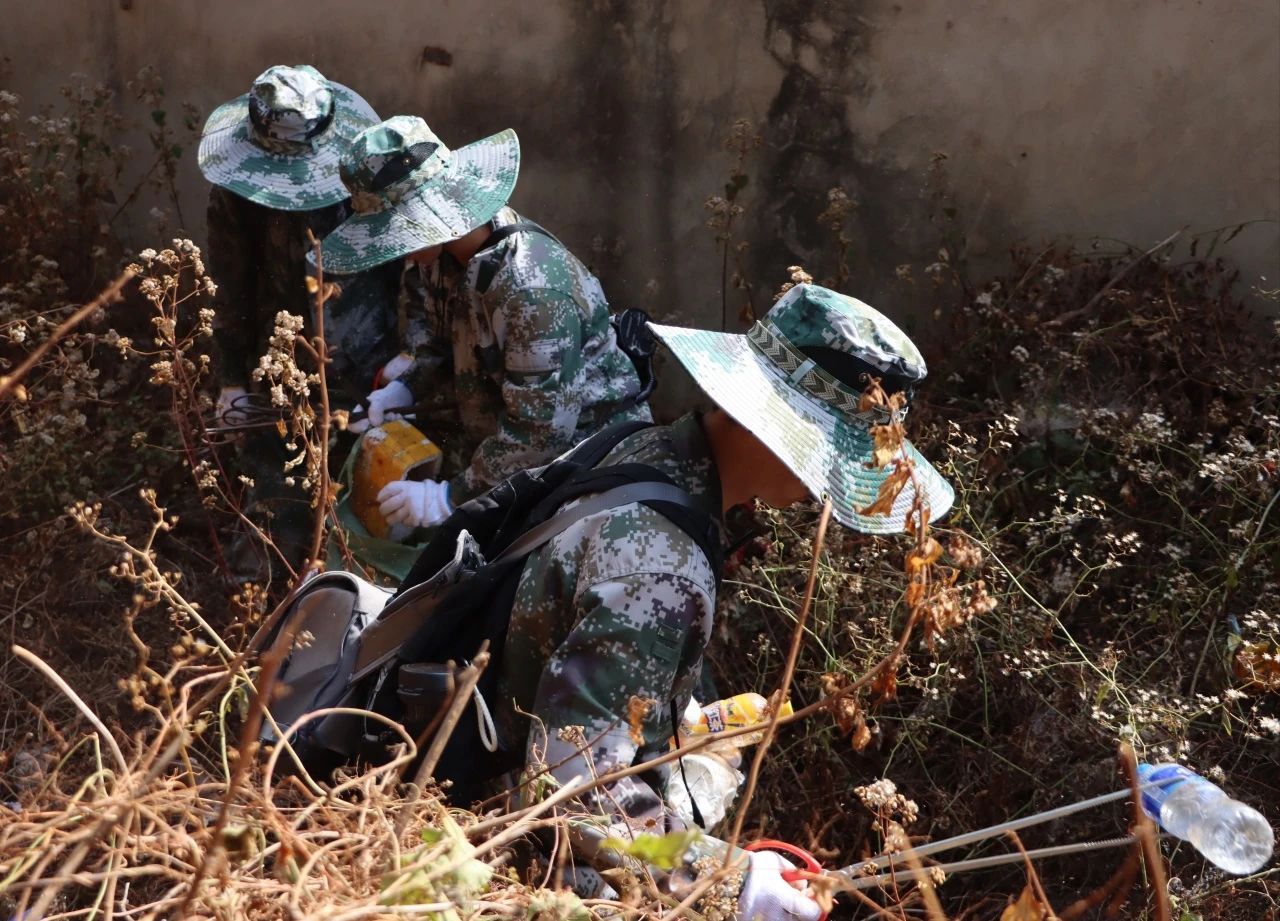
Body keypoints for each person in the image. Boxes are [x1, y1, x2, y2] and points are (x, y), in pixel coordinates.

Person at [493, 284, 955, 919]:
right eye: (826, 457)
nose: (823, 489)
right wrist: (733, 882)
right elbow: (570, 795)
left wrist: (665, 717)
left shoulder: (645, 448)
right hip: (511, 843)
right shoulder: (664, 566)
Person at [317, 115, 651, 532]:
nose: (398, 253)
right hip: (503, 454)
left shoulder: (531, 287)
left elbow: (542, 431)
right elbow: (442, 344)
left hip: (589, 469)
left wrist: (451, 496)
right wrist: (405, 389)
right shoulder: (440, 259)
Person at [198, 65, 402, 579]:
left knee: (366, 498)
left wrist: (410, 361)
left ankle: (354, 593)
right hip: (277, 359)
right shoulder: (236, 191)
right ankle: (273, 606)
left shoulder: (366, 174)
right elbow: (230, 285)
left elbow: (407, 263)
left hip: (368, 362)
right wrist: (229, 381)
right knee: (275, 491)